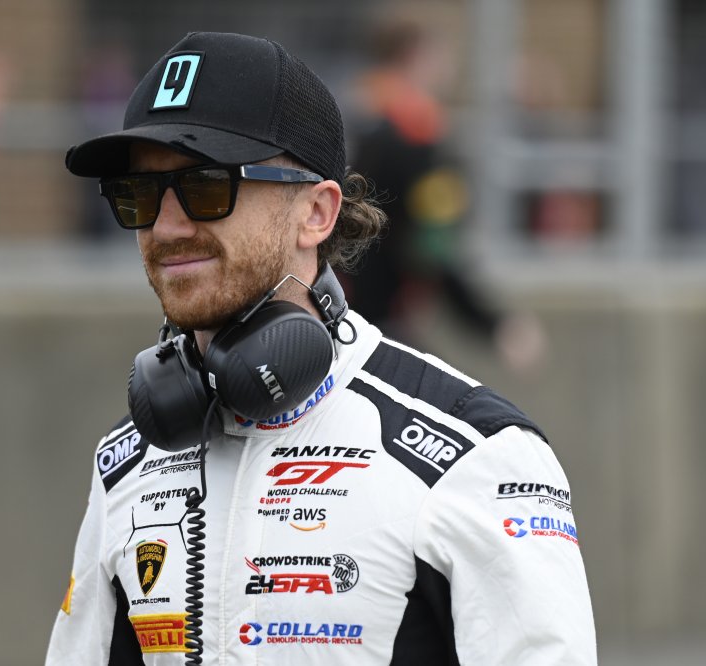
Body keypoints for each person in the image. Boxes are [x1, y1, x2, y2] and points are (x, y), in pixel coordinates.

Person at [46, 31, 595, 665]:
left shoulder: (479, 459)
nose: (166, 226)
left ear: (316, 212)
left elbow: (442, 253)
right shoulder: (124, 465)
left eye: (206, 186)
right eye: (140, 194)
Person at [346, 19, 546, 372]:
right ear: (417, 57)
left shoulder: (349, 117)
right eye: (442, 57)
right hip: (383, 318)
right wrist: (494, 325)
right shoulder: (418, 134)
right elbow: (433, 246)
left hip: (336, 307)